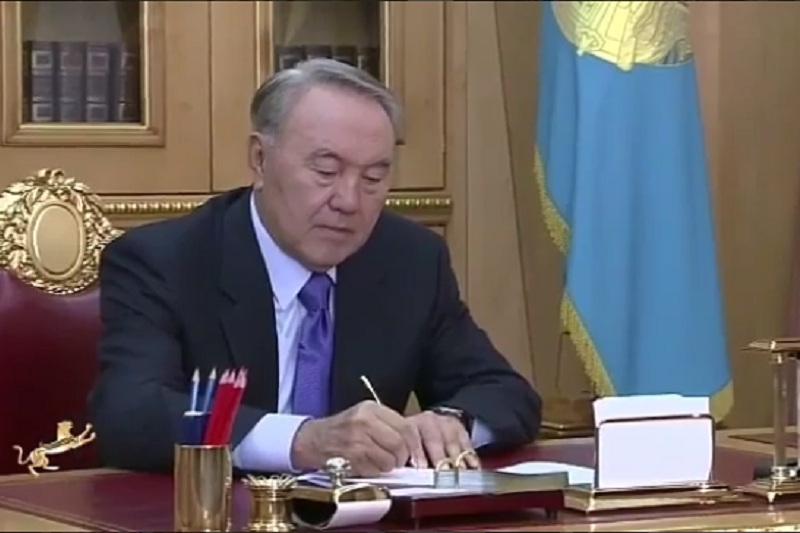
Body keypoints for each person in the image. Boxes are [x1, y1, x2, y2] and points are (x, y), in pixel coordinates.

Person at [89, 59, 542, 475]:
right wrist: (301, 442)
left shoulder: (411, 259)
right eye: (326, 171)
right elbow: (131, 414)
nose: (349, 201)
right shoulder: (165, 261)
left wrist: (451, 422)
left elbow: (506, 393)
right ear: (260, 159)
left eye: (373, 178)